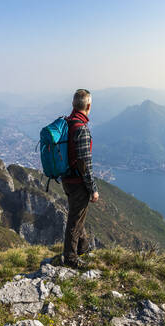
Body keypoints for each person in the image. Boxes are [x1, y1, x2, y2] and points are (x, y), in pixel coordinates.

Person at [61, 89, 99, 268]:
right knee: (75, 221)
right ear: (88, 106)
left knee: (78, 215)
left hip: (66, 179)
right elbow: (85, 164)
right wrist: (93, 189)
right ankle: (70, 259)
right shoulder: (81, 129)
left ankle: (84, 248)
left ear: (73, 105)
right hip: (77, 183)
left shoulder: (67, 123)